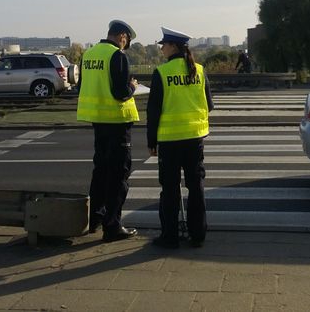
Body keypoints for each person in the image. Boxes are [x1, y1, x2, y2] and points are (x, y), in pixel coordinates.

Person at [147, 27, 214, 248]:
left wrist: (151, 142)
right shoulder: (200, 70)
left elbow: (153, 111)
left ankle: (170, 236)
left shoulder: (162, 73)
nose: (162, 49)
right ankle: (198, 234)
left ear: (173, 46)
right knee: (196, 186)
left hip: (169, 141)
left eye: (163, 45)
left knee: (170, 189)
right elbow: (209, 105)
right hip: (195, 139)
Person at [77, 19, 140, 242]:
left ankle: (94, 219)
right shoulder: (117, 56)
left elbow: (80, 86)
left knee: (100, 172)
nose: (125, 45)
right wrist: (132, 86)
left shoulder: (89, 55)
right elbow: (121, 92)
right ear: (122, 36)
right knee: (118, 176)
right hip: (117, 123)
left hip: (98, 121)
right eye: (126, 40)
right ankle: (112, 226)